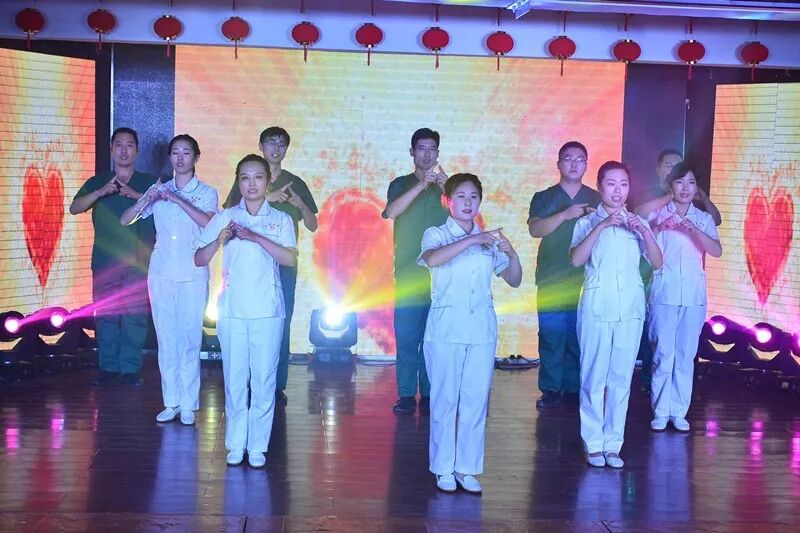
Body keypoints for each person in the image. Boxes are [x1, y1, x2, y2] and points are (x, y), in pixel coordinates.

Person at [419, 173, 522, 493]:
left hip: (481, 330)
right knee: (445, 400)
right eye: (461, 197)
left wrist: (512, 253)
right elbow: (432, 259)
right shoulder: (436, 233)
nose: (468, 203)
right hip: (446, 329)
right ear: (447, 201)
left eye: (474, 197)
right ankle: (443, 468)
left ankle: (467, 468)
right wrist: (473, 240)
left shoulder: (488, 238)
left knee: (475, 400)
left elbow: (514, 279)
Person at [195, 154, 297, 468]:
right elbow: (199, 258)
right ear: (238, 182)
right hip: (233, 311)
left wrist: (255, 236)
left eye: (258, 177)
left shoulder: (280, 219)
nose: (251, 184)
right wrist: (219, 241)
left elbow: (289, 259)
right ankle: (236, 444)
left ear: (268, 181)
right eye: (245, 178)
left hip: (267, 310)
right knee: (235, 379)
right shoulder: (225, 217)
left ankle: (258, 447)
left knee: (264, 380)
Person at [569, 161, 663, 469]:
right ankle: (593, 443)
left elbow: (657, 262)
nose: (617, 190)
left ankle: (613, 444)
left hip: (629, 310)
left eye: (623, 184)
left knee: (621, 379)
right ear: (600, 187)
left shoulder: (638, 223)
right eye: (611, 184)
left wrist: (643, 231)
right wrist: (602, 226)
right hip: (597, 308)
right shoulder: (587, 222)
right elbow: (576, 259)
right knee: (593, 377)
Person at [120, 134, 218, 425]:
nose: (180, 158)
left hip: (192, 273)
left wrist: (176, 198)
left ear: (196, 157)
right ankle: (171, 402)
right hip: (161, 272)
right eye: (175, 152)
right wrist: (146, 198)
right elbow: (126, 219)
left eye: (186, 152)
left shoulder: (207, 192)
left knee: (189, 339)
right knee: (166, 339)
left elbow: (209, 223)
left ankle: (188, 404)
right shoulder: (159, 189)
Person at [223, 127, 318, 405]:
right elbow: (228, 212)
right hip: (246, 263)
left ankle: (275, 385)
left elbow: (313, 224)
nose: (276, 148)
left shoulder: (296, 183)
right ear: (260, 146)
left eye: (281, 144)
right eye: (270, 143)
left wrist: (300, 204)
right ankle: (248, 383)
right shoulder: (247, 178)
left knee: (280, 322)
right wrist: (269, 197)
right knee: (245, 323)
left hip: (281, 262)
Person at [69, 127, 157, 386]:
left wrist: (137, 196)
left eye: (129, 145)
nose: (124, 150)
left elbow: (165, 208)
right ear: (111, 150)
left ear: (137, 150)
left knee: (134, 317)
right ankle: (108, 368)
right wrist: (99, 193)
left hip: (138, 262)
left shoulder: (149, 182)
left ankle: (130, 369)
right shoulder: (98, 181)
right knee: (106, 316)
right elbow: (74, 208)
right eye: (118, 145)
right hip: (105, 261)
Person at [634, 149, 722, 396]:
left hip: (693, 294)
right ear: (670, 184)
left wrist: (695, 230)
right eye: (680, 182)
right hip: (664, 290)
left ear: (696, 188)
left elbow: (716, 250)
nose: (685, 188)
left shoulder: (702, 218)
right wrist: (660, 227)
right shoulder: (658, 213)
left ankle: (679, 411)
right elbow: (646, 249)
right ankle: (661, 409)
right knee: (663, 353)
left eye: (691, 183)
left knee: (685, 355)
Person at [528, 141, 601, 408]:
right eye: (568, 158)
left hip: (587, 277)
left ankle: (573, 387)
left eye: (580, 159)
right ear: (558, 163)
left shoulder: (597, 198)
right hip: (552, 276)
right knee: (551, 334)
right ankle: (550, 389)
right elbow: (535, 230)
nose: (574, 163)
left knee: (578, 334)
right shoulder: (544, 197)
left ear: (586, 165)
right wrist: (565, 214)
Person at [382, 128, 448, 415]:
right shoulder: (400, 184)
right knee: (408, 336)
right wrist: (422, 185)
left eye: (432, 149)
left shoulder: (450, 186)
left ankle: (433, 393)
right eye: (421, 148)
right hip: (409, 273)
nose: (427, 154)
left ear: (438, 153)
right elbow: (391, 212)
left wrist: (448, 188)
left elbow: (467, 216)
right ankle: (407, 394)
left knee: (435, 338)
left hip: (443, 275)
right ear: (412, 152)